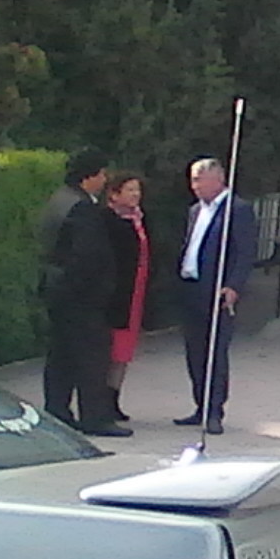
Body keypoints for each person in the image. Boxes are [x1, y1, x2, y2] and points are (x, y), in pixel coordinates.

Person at [38, 148, 129, 436]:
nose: (104, 180)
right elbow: (87, 256)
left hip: (56, 289)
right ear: (89, 176)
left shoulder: (59, 200)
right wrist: (100, 290)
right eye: (102, 174)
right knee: (92, 357)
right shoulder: (83, 208)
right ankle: (95, 417)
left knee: (61, 355)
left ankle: (57, 410)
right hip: (81, 297)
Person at [173, 157, 259, 435]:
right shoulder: (195, 210)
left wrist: (234, 285)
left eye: (199, 179)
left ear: (218, 179)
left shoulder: (238, 209)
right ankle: (200, 405)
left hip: (217, 290)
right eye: (192, 180)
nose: (194, 185)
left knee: (215, 352)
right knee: (194, 351)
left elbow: (245, 251)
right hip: (191, 287)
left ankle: (214, 412)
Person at [103, 171, 153, 422]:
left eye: (137, 190)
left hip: (135, 293)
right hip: (116, 296)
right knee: (110, 350)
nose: (135, 195)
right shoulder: (109, 221)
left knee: (124, 351)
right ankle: (101, 401)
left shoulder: (139, 219)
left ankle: (114, 398)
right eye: (130, 190)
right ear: (115, 194)